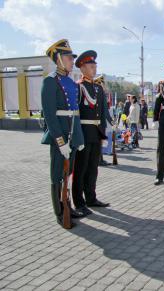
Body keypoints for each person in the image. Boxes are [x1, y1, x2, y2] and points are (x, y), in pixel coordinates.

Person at [41, 39, 85, 227]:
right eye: (68, 57)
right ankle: (59, 212)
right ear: (58, 59)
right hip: (60, 135)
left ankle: (67, 205)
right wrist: (61, 141)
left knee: (69, 173)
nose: (71, 60)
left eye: (71, 57)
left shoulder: (70, 82)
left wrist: (79, 137)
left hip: (72, 133)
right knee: (57, 174)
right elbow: (50, 116)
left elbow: (76, 112)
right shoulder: (50, 82)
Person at [72, 50, 110, 217]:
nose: (94, 68)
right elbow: (75, 114)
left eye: (95, 65)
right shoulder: (78, 87)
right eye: (90, 65)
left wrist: (104, 133)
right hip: (83, 132)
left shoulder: (98, 88)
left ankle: (91, 198)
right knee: (81, 169)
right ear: (82, 68)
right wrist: (76, 136)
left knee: (93, 168)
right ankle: (79, 203)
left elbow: (102, 112)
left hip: (95, 133)